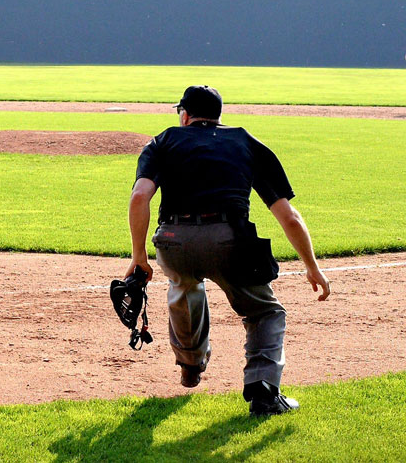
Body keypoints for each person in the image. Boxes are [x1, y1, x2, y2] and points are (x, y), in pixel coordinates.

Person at [126, 85, 330, 417]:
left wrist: (139, 257)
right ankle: (263, 391)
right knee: (265, 313)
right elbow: (289, 217)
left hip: (173, 239)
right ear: (219, 116)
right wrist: (311, 266)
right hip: (230, 242)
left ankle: (190, 365)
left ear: (185, 115)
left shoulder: (163, 141)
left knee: (184, 285)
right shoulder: (245, 142)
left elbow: (139, 197)